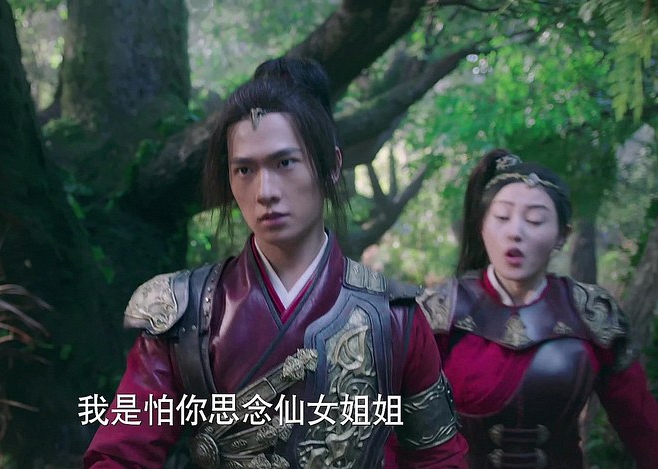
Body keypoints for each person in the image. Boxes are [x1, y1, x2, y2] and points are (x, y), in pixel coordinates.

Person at [83, 57, 467, 468]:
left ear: (331, 166)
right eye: (244, 169)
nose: (265, 191)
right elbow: (120, 454)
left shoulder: (395, 316)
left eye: (284, 163)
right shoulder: (183, 312)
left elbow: (438, 457)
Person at [415, 149, 658, 468]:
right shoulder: (438, 313)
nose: (515, 232)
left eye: (535, 220)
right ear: (481, 226)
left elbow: (644, 427)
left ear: (561, 235)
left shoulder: (592, 315)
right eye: (502, 218)